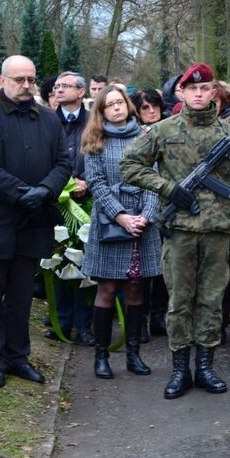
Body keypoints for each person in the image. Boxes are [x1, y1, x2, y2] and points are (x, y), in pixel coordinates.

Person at [121, 62, 230, 399]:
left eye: (204, 88)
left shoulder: (229, 134)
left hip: (217, 233)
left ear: (214, 92)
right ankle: (180, 369)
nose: (198, 93)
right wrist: (168, 188)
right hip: (179, 231)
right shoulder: (164, 131)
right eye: (191, 88)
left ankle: (205, 366)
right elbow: (130, 166)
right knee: (179, 301)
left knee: (211, 301)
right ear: (181, 91)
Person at [0, 55, 72, 388]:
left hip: (31, 222)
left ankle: (17, 356)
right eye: (19, 80)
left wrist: (45, 191)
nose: (26, 86)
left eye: (31, 80)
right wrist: (22, 192)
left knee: (22, 296)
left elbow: (63, 161)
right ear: (3, 80)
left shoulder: (49, 119)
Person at [80, 85, 161, 379]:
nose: (116, 108)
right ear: (101, 111)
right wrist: (121, 217)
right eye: (109, 105)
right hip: (109, 221)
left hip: (143, 221)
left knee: (137, 289)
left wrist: (146, 217)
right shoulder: (95, 140)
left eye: (120, 102)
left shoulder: (146, 137)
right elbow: (97, 184)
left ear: (128, 105)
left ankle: (133, 355)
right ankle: (101, 356)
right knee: (107, 289)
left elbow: (155, 178)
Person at [47, 71, 93, 346]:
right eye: (57, 85)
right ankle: (62, 321)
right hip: (57, 200)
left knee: (85, 263)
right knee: (61, 260)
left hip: (86, 201)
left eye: (65, 86)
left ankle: (84, 325)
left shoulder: (93, 122)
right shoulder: (48, 121)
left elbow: (99, 153)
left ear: (81, 91)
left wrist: (86, 180)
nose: (59, 89)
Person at [129, 88, 168, 341]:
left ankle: (158, 316)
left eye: (154, 106)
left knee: (164, 270)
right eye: (145, 107)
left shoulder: (169, 130)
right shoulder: (133, 135)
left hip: (169, 205)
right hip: (141, 205)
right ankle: (140, 319)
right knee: (140, 271)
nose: (151, 111)